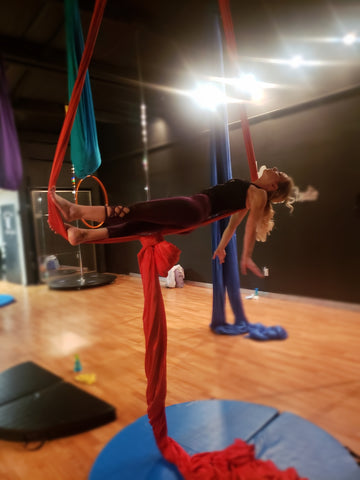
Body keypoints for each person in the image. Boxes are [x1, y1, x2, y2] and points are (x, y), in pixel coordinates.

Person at [49, 166, 297, 278]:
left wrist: (246, 256)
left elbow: (250, 225)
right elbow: (233, 225)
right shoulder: (252, 192)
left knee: (134, 211)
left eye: (278, 172)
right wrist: (221, 248)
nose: (274, 168)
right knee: (137, 225)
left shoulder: (259, 194)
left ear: (274, 186)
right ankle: (82, 236)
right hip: (192, 215)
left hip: (195, 207)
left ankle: (74, 211)